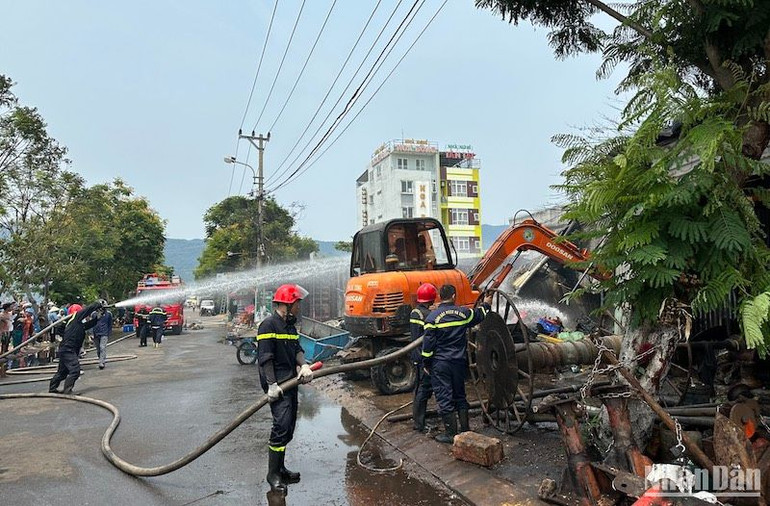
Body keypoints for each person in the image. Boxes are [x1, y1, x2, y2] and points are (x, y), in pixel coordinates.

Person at [257, 284, 314, 493]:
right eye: (297, 303)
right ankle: (272, 474)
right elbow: (265, 359)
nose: (299, 307)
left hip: (290, 381)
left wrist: (303, 364)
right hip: (277, 384)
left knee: (289, 427)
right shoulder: (268, 325)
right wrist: (271, 385)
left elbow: (297, 349)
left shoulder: (289, 326)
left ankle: (281, 469)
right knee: (281, 426)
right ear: (286, 304)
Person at [421, 285, 492, 443]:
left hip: (441, 363)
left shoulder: (432, 318)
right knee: (460, 395)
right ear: (454, 295)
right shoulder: (463, 313)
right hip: (459, 362)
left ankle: (450, 433)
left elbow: (428, 346)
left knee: (444, 396)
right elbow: (479, 315)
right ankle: (465, 429)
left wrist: (426, 363)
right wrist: (486, 303)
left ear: (440, 296)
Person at [49, 300, 108, 395]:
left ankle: (52, 389)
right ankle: (67, 391)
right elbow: (87, 310)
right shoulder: (75, 318)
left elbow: (86, 326)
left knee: (62, 373)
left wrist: (97, 318)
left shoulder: (75, 323)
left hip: (66, 349)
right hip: (68, 349)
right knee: (75, 370)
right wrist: (99, 304)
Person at [410, 283, 437, 432]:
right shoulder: (427, 316)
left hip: (415, 354)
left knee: (419, 388)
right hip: (423, 357)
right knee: (424, 389)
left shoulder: (415, 312)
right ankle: (419, 424)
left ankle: (419, 420)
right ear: (431, 299)